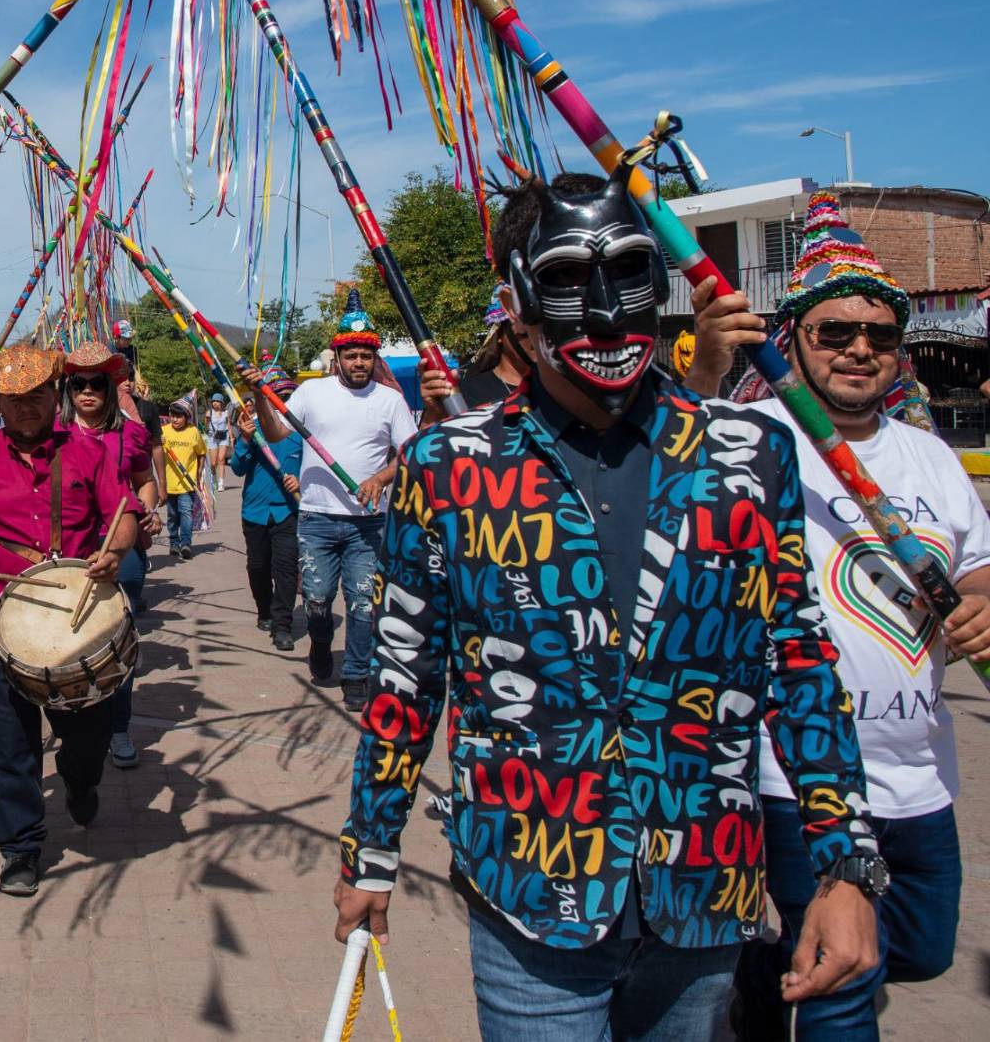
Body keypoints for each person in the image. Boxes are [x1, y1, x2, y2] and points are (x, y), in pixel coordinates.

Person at [335, 167, 885, 1041]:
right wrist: (370, 850)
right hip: (528, 893)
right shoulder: (449, 468)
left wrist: (844, 866)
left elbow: (800, 664)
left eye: (629, 271)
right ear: (515, 303)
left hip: (702, 888)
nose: (602, 311)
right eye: (562, 280)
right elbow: (407, 676)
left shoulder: (748, 455)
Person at [689, 190, 990, 1039]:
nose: (861, 349)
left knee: (922, 950)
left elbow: (978, 567)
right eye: (835, 332)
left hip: (922, 776)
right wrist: (708, 364)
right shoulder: (747, 434)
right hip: (799, 779)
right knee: (842, 991)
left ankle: (756, 974)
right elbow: (670, 457)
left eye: (881, 336)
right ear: (794, 341)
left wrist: (978, 607)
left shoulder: (929, 455)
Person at [0, 344, 141, 897]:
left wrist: (116, 551)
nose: (25, 409)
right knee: (9, 743)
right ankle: (20, 848)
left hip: (79, 625)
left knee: (87, 745)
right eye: (13, 400)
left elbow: (127, 512)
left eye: (36, 396)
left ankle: (80, 781)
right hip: (2, 626)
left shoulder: (88, 454)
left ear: (54, 395)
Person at [278, 289, 416, 710]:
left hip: (367, 523)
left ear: (374, 359)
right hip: (317, 517)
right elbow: (276, 431)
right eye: (351, 355)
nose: (359, 363)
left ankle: (357, 672)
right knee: (317, 601)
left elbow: (411, 453)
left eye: (366, 356)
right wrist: (259, 410)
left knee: (362, 603)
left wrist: (380, 477)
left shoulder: (391, 400)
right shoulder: (311, 394)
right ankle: (320, 643)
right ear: (336, 357)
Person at [419, 174, 605, 421]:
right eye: (565, 274)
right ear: (511, 314)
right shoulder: (466, 396)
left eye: (627, 268)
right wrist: (435, 416)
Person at [61, 341, 162, 769]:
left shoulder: (131, 433)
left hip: (124, 551)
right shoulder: (54, 436)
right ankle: (76, 721)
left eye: (96, 385)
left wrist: (150, 510)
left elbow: (145, 481)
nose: (87, 392)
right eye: (78, 384)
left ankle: (119, 728)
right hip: (72, 551)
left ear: (109, 389)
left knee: (120, 643)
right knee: (72, 638)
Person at [228, 369, 305, 649]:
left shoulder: (302, 433)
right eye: (278, 396)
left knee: (285, 568)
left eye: (288, 396)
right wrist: (245, 440)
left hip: (288, 511)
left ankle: (283, 625)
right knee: (258, 567)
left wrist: (302, 481)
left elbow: (317, 470)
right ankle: (265, 611)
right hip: (255, 511)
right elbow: (237, 469)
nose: (284, 401)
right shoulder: (254, 427)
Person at [158, 402, 207, 559]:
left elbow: (201, 453)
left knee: (186, 513)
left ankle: (186, 544)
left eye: (178, 416)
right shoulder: (163, 432)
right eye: (172, 415)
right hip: (169, 483)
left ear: (187, 417)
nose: (174, 419)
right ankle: (174, 543)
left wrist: (198, 472)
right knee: (172, 516)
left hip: (187, 484)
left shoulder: (194, 432)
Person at [204, 392, 231, 491]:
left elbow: (228, 426)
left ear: (221, 402)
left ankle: (221, 483)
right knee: (213, 463)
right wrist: (207, 420)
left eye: (217, 401)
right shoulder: (209, 413)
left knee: (221, 460)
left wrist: (231, 438)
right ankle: (214, 477)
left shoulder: (226, 413)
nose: (215, 403)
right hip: (212, 438)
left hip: (224, 438)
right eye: (213, 401)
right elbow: (206, 427)